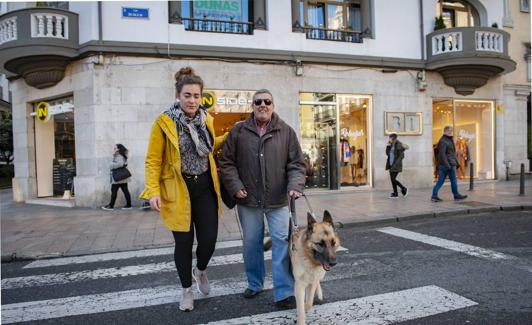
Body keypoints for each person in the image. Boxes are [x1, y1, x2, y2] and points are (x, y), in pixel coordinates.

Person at [139, 67, 227, 312]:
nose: (192, 100)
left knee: (209, 240)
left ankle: (200, 271)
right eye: (187, 95)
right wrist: (152, 190)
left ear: (201, 97)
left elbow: (208, 148)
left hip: (206, 187)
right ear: (178, 95)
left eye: (196, 96)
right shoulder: (164, 122)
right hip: (179, 189)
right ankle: (186, 290)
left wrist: (232, 134)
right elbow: (153, 159)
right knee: (184, 243)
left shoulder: (205, 119)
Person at [219, 89, 306, 309]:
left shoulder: (286, 131)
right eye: (258, 101)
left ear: (273, 105)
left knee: (281, 243)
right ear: (252, 105)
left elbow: (297, 164)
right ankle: (255, 283)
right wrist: (235, 186)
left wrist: (295, 186)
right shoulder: (238, 131)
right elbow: (226, 162)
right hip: (248, 201)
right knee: (251, 245)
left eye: (267, 101)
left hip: (278, 200)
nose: (263, 105)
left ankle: (284, 291)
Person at [431, 126, 468, 202]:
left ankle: (434, 195)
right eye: (449, 131)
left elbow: (452, 154)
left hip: (449, 163)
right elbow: (442, 154)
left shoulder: (448, 140)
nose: (451, 132)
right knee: (453, 180)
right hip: (448, 165)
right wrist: (447, 165)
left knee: (441, 181)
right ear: (445, 131)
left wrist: (456, 163)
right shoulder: (443, 141)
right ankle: (456, 195)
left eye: (451, 131)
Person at [102, 144, 132, 210]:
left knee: (114, 191)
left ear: (118, 149)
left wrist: (111, 164)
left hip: (118, 177)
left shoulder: (119, 156)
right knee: (125, 190)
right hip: (122, 177)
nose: (114, 149)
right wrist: (114, 155)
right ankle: (129, 205)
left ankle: (111, 206)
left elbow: (120, 164)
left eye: (115, 148)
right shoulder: (120, 155)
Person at [385, 133, 408, 198]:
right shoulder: (391, 144)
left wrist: (395, 164)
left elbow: (401, 156)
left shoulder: (399, 145)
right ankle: (395, 193)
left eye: (390, 138)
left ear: (393, 138)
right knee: (392, 179)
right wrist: (388, 145)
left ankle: (404, 188)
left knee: (393, 179)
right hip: (390, 164)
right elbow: (387, 153)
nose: (389, 139)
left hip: (396, 165)